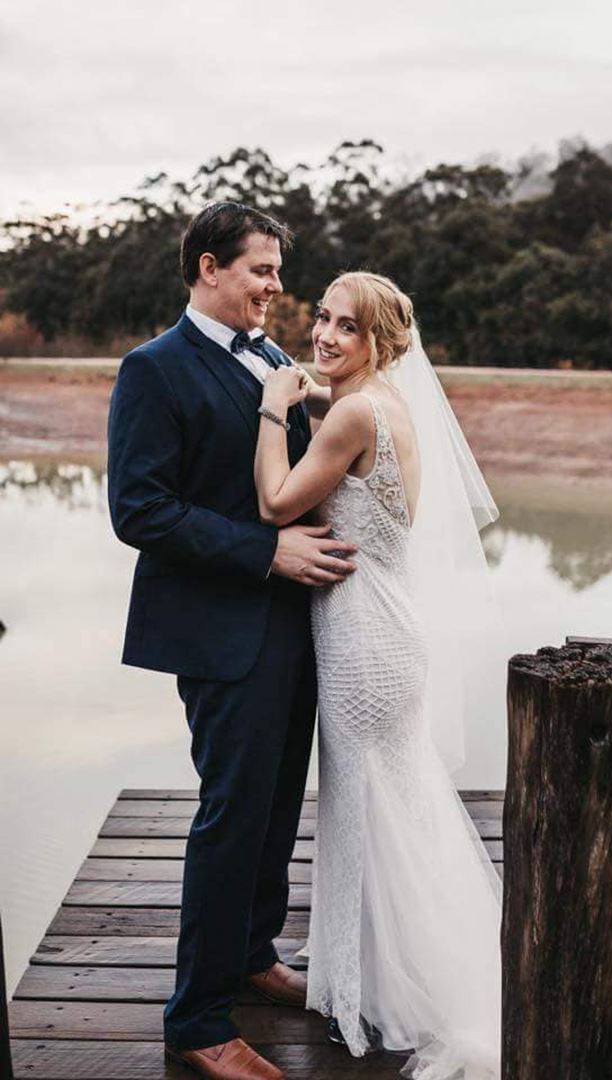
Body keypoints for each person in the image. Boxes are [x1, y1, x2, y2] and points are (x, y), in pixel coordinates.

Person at [107, 202, 357, 1080]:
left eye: (279, 273)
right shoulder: (152, 371)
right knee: (231, 815)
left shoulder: (276, 362)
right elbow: (139, 512)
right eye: (261, 271)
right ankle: (199, 1019)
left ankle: (253, 954)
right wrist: (266, 552)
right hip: (221, 631)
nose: (276, 288)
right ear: (209, 267)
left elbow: (288, 479)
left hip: (296, 626)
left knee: (278, 804)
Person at [253, 271, 503, 1079]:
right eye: (320, 318)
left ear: (380, 343)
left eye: (345, 328)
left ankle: (382, 986)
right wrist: (313, 402)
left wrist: (271, 402)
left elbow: (277, 504)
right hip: (393, 631)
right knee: (392, 809)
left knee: (366, 812)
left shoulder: (354, 411)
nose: (323, 336)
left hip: (361, 639)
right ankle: (373, 961)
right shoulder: (387, 406)